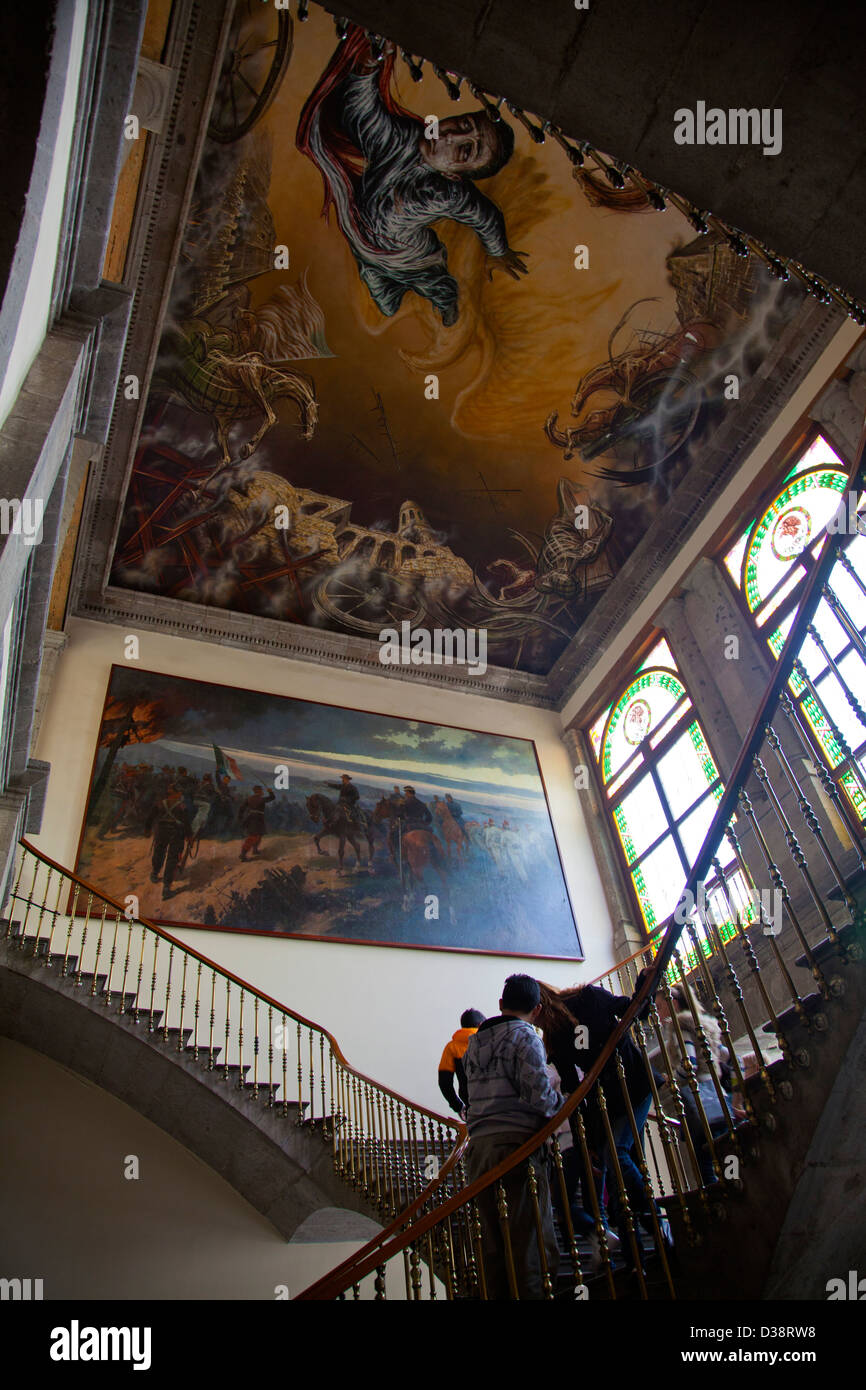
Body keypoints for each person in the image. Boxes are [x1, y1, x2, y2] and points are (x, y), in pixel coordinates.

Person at [297, 27, 526, 327]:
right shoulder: (398, 138)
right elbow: (362, 114)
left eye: (464, 151)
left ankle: (447, 305)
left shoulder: (448, 193)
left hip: (412, 258)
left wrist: (498, 251)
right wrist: (368, 67)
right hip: (365, 247)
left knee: (437, 287)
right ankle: (397, 294)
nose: (450, 136)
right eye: (464, 123)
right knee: (387, 305)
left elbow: (482, 214)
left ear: (454, 175)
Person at [538, 967, 661, 1271]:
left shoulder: (589, 996)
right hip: (607, 1105)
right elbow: (572, 1090)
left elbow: (633, 1010)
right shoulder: (553, 1039)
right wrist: (588, 1137)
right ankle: (640, 1259)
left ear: (538, 1006)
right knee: (621, 1175)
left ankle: (657, 1225)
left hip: (633, 1085)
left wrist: (647, 983)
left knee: (617, 1155)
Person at [463, 974, 562, 1299]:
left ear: (501, 1005)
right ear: (536, 1010)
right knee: (528, 1242)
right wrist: (564, 1100)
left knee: (492, 1244)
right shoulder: (526, 1036)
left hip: (480, 1148)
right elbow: (539, 1096)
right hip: (516, 1148)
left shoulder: (472, 1045)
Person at [658, 985, 733, 1184]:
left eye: (659, 1006)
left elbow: (688, 1063)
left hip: (700, 1097)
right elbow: (726, 1057)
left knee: (705, 1161)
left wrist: (671, 1080)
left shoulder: (680, 1027)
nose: (657, 1012)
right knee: (728, 1153)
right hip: (719, 1094)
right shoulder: (703, 1025)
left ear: (672, 1003)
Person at [438, 1009, 485, 1117]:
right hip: (498, 1104)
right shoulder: (492, 1041)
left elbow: (444, 1082)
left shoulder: (452, 1047)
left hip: (471, 1105)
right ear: (481, 1024)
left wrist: (458, 1106)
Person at [149, 784, 193, 901]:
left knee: (159, 851)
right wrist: (189, 836)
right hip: (176, 834)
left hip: (162, 832)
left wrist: (148, 828)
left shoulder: (160, 804)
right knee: (172, 858)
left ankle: (154, 873)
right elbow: (187, 823)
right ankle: (166, 888)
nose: (181, 794)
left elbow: (151, 817)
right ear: (176, 793)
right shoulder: (182, 806)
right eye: (179, 792)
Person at [239, 785, 275, 862]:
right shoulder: (261, 799)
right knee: (253, 836)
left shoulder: (249, 799)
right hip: (256, 819)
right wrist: (270, 791)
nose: (262, 791)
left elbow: (242, 808)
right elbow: (272, 798)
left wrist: (240, 818)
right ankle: (243, 854)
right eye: (261, 790)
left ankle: (255, 850)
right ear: (258, 791)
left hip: (252, 818)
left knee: (258, 835)